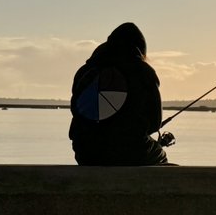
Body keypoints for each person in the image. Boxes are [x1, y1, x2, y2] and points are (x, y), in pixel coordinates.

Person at [69, 22, 171, 165]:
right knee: (161, 155)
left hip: (85, 152)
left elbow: (76, 111)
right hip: (132, 152)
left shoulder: (85, 72)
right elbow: (154, 123)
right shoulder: (143, 71)